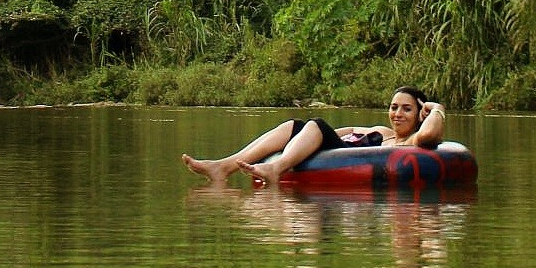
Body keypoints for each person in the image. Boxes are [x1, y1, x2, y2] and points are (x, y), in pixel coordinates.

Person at [181, 87, 446, 186]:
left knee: (315, 124)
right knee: (294, 125)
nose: (398, 114)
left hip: (346, 159)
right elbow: (346, 131)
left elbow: (432, 133)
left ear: (419, 114)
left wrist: (436, 109)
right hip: (336, 148)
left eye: (407, 109)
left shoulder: (413, 142)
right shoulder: (383, 132)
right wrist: (311, 133)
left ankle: (276, 168)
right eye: (394, 107)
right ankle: (223, 167)